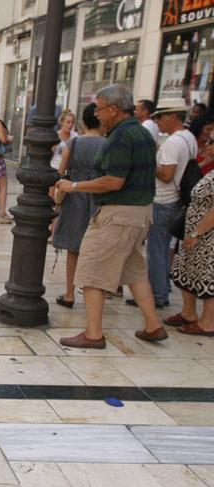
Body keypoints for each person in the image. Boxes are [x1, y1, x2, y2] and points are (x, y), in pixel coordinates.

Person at [55, 84, 166, 349]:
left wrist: (76, 186)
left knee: (91, 269)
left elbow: (114, 181)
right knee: (135, 271)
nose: (98, 113)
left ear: (115, 110)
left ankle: (93, 333)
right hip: (141, 212)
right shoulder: (143, 134)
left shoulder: (120, 137)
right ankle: (153, 325)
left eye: (100, 108)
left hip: (118, 214)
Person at [127, 105, 195, 309]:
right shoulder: (188, 137)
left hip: (163, 200)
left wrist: (149, 163)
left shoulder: (173, 142)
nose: (158, 121)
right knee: (165, 248)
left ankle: (156, 294)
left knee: (156, 250)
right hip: (174, 201)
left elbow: (167, 175)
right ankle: (163, 290)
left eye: (161, 117)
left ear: (174, 116)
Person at [52, 103, 106, 308]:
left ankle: (69, 292)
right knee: (97, 249)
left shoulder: (73, 143)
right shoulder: (108, 144)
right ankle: (95, 292)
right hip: (100, 197)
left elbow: (60, 172)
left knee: (74, 248)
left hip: (75, 198)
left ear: (83, 122)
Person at [167, 154, 214, 335]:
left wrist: (197, 232)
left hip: (206, 236)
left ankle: (208, 323)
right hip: (196, 233)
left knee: (207, 277)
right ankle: (189, 313)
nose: (208, 145)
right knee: (188, 271)